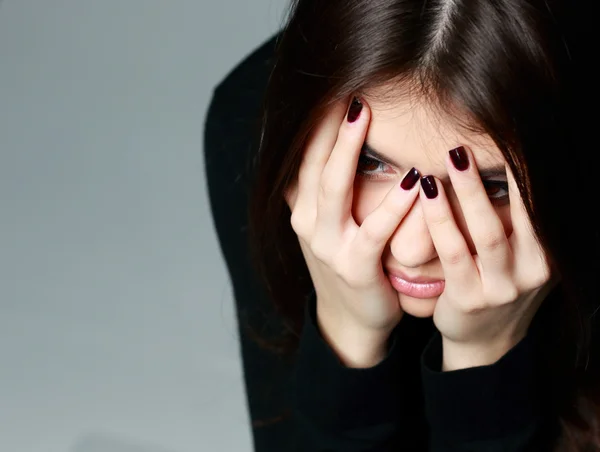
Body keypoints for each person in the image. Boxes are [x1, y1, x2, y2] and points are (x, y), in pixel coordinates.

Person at [242, 0, 600, 450]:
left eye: (491, 188)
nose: (414, 250)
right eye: (370, 163)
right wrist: (345, 331)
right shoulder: (254, 129)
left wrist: (484, 355)